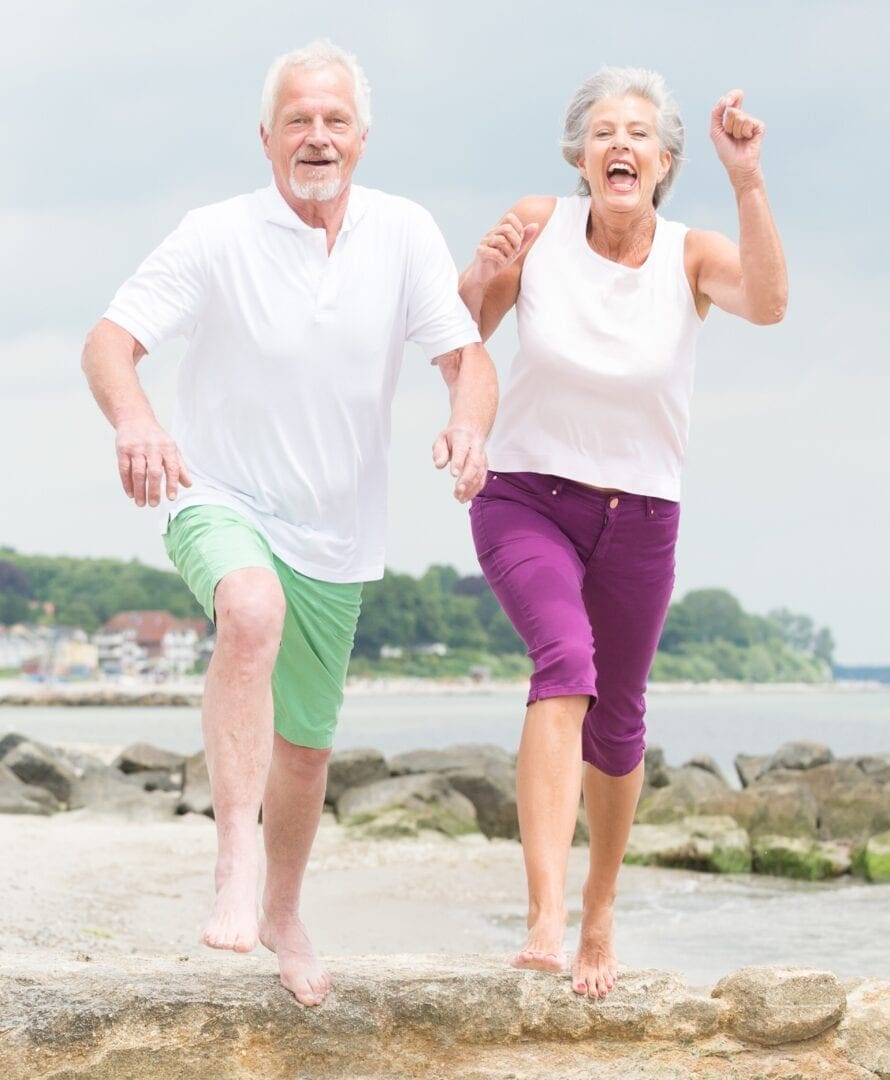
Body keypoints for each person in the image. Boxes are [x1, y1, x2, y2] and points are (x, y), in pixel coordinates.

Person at [81, 40, 496, 1007]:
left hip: (338, 531)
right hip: (216, 492)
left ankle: (283, 908)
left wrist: (469, 424)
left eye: (336, 120)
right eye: (299, 121)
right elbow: (110, 340)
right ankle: (232, 859)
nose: (318, 137)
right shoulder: (215, 234)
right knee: (249, 608)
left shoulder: (404, 232)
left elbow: (466, 357)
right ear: (266, 138)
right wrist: (137, 421)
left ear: (362, 136)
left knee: (306, 750)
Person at [458, 68, 787, 1000]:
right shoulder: (538, 223)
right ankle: (544, 914)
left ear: (665, 162)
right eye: (604, 130)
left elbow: (768, 303)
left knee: (621, 720)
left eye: (640, 133)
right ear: (579, 154)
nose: (621, 144)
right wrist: (483, 270)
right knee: (563, 660)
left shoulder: (691, 256)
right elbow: (465, 327)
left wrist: (750, 179)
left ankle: (601, 908)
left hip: (641, 514)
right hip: (526, 496)